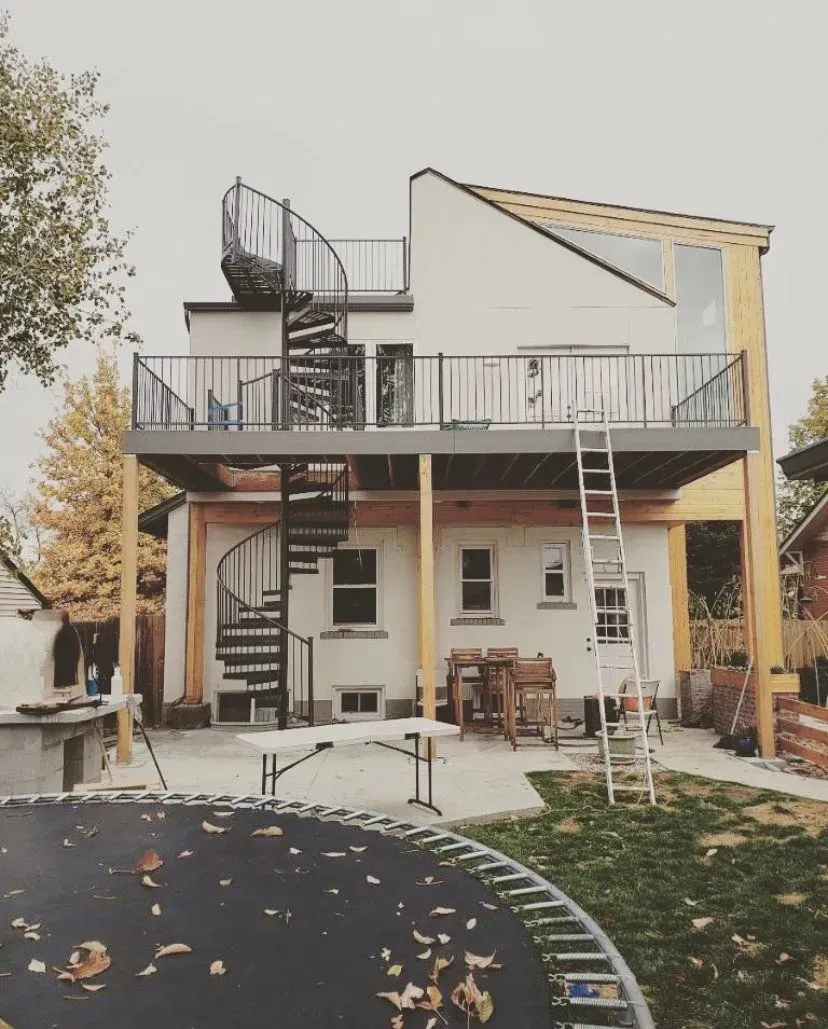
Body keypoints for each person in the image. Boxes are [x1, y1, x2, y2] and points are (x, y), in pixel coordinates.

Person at [53, 612, 83, 688]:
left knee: (62, 683)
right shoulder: (72, 631)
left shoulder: (60, 631)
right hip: (69, 662)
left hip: (63, 662)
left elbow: (56, 648)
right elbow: (77, 649)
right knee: (68, 682)